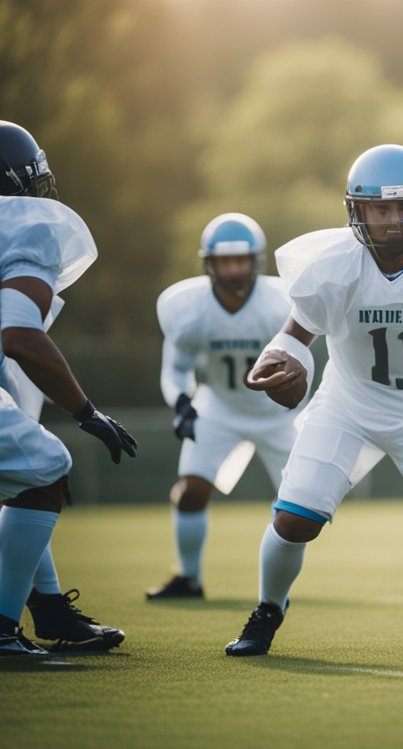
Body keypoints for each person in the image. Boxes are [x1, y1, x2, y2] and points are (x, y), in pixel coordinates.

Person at [224, 144, 403, 656]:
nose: (394, 221)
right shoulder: (334, 265)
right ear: (358, 210)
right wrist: (275, 360)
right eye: (381, 209)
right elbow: (294, 337)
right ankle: (268, 608)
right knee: (294, 521)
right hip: (348, 407)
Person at [0, 120, 136, 655]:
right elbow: (20, 336)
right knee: (47, 466)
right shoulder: (26, 222)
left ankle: (51, 609)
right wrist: (86, 412)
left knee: (32, 469)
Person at [147, 213, 300, 599]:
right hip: (218, 407)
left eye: (241, 260)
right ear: (209, 264)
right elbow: (176, 370)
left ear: (256, 262)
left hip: (278, 414)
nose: (233, 269)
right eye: (225, 261)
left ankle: (277, 587)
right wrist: (181, 402)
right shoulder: (189, 307)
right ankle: (188, 577)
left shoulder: (279, 302)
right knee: (191, 489)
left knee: (298, 507)